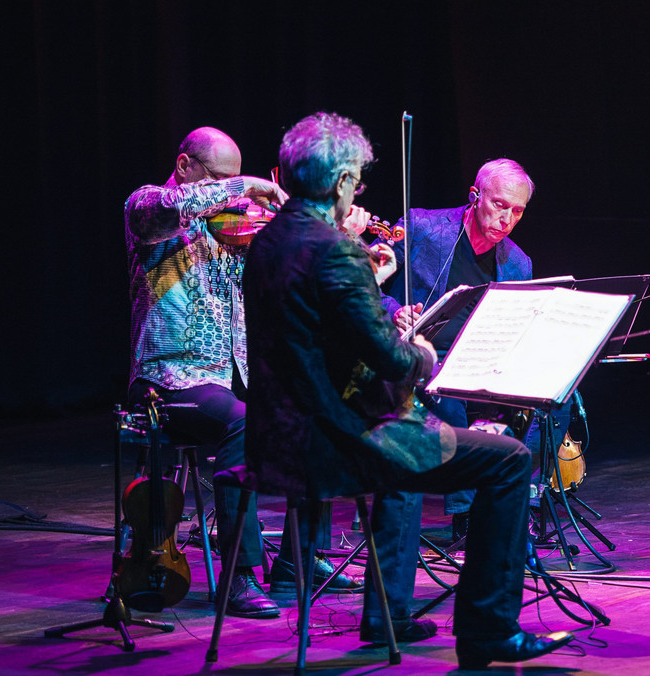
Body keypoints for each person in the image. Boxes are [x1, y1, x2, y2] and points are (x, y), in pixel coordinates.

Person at [242, 111, 572, 668]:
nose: (358, 195)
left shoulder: (271, 241)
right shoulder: (334, 250)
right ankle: (489, 627)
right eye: (357, 182)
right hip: (336, 441)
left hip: (277, 436)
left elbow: (322, 335)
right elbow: (391, 357)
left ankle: (386, 615)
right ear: (341, 181)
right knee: (510, 461)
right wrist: (421, 351)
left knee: (412, 458)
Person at [124, 126, 360, 619]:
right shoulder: (148, 208)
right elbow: (166, 212)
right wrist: (249, 183)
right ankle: (239, 574)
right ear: (185, 165)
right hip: (168, 380)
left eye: (235, 180)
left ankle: (297, 559)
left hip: (235, 377)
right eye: (219, 177)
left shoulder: (236, 230)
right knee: (242, 423)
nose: (232, 192)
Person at [379, 159, 569, 545]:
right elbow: (361, 274)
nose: (507, 219)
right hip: (422, 354)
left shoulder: (517, 261)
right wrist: (393, 311)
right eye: (500, 205)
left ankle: (521, 504)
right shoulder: (421, 227)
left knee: (561, 395)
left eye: (518, 211)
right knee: (447, 392)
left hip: (484, 358)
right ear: (474, 196)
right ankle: (466, 516)